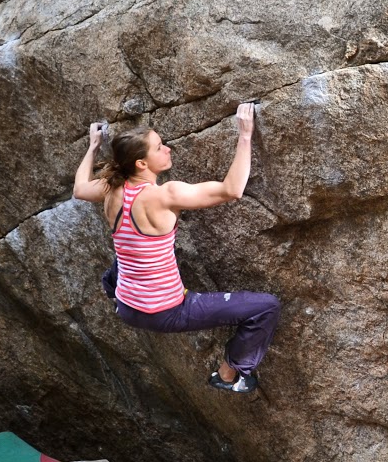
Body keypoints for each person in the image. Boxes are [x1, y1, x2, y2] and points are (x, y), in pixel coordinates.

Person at [72, 102, 279, 393]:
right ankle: (229, 375)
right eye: (159, 147)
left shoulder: (110, 188)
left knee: (122, 260)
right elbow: (231, 189)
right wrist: (245, 135)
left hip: (127, 306)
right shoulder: (165, 195)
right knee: (266, 307)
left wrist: (93, 146)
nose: (167, 149)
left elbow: (79, 189)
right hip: (166, 311)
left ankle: (116, 294)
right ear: (141, 164)